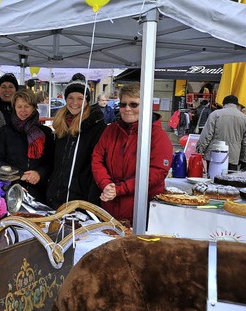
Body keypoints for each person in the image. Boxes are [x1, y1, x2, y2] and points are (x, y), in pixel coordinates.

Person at [92, 83, 173, 225]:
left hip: (143, 212)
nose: (127, 109)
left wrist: (119, 189)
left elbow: (157, 172)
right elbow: (97, 159)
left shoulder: (157, 135)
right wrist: (106, 184)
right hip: (110, 207)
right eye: (123, 104)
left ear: (146, 106)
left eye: (133, 104)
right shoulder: (111, 130)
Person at [46, 73, 106, 209]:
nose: (74, 103)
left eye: (80, 98)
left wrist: (91, 200)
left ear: (87, 101)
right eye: (71, 98)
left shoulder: (96, 126)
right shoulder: (60, 123)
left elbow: (97, 165)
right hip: (55, 196)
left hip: (80, 199)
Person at [0, 90, 54, 202]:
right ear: (14, 108)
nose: (23, 110)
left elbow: (52, 162)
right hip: (10, 191)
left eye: (27, 106)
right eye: (19, 107)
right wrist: (19, 175)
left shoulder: (45, 133)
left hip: (38, 193)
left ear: (34, 107)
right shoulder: (4, 132)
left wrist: (39, 174)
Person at [196, 95, 246, 171]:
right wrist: (243, 159)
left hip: (215, 154)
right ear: (237, 105)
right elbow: (245, 142)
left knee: (213, 179)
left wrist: (200, 150)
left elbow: (207, 134)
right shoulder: (244, 118)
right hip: (234, 156)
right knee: (230, 181)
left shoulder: (215, 114)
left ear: (224, 104)